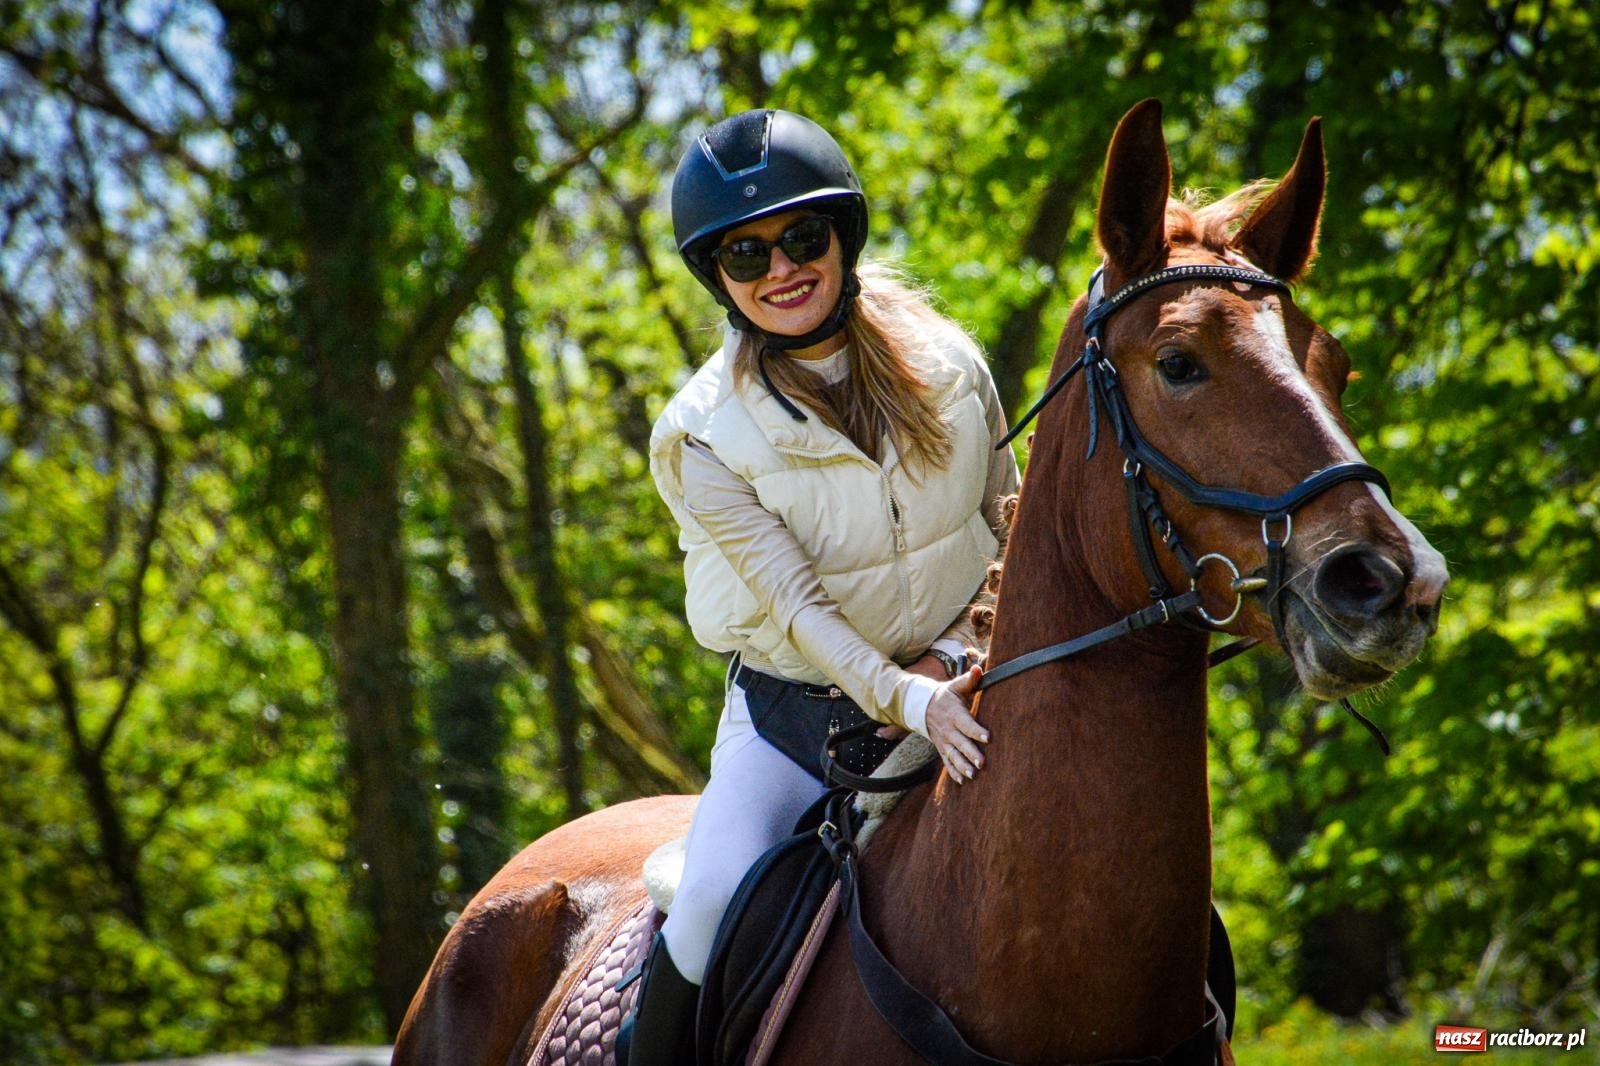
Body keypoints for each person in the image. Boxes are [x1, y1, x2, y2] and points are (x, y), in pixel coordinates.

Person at [622, 108, 1019, 1066]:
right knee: (709, 904)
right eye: (745, 257)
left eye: (802, 238)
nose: (781, 271)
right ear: (718, 280)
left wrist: (958, 657)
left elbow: (1015, 521)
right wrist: (907, 695)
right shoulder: (702, 436)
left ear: (841, 235)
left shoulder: (950, 364)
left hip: (973, 685)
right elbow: (798, 612)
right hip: (798, 721)